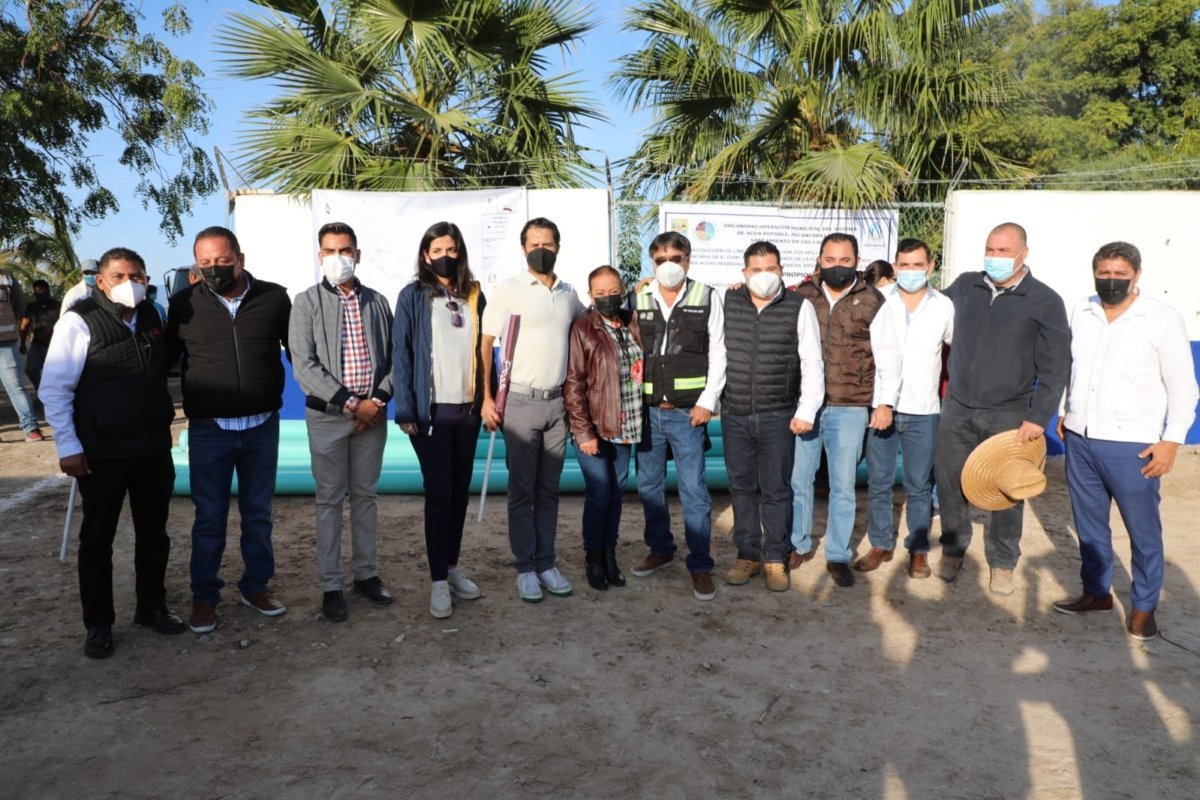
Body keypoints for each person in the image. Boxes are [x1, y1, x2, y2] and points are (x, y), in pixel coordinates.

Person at [40, 247, 184, 658]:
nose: (129, 283)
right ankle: (99, 624)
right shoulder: (79, 320)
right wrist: (68, 446)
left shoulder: (153, 316)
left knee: (154, 534)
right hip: (102, 450)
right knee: (97, 540)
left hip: (152, 446)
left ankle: (151, 607)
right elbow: (55, 388)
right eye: (119, 276)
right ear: (101, 282)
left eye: (136, 276)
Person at [1054, 241, 1198, 639]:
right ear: (1094, 273)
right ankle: (1097, 592)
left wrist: (1172, 440)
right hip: (1081, 437)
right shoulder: (1083, 310)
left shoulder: (1162, 318)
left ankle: (1144, 607)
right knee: (1089, 525)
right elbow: (1074, 367)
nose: (1111, 280)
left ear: (1137, 275)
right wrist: (1067, 410)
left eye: (1120, 274)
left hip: (1133, 444)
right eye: (1104, 273)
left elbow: (1183, 386)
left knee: (1142, 530)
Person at [167, 226, 292, 633]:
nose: (215, 269)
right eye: (205, 263)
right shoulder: (183, 305)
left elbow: (299, 350)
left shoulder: (274, 298)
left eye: (222, 260)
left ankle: (256, 587)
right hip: (210, 431)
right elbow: (161, 361)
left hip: (261, 427)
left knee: (258, 514)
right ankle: (205, 597)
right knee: (209, 518)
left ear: (240, 258)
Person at [934, 222, 1070, 595]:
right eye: (990, 250)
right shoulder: (966, 286)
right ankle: (954, 548)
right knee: (949, 481)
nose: (994, 257)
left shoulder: (1045, 301)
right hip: (958, 407)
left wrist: (1039, 417)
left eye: (1004, 251)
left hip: (1010, 413)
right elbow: (930, 312)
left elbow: (1056, 366)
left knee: (1008, 489)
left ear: (1024, 253)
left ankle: (1003, 562)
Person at [290, 222, 396, 624]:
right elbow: (304, 365)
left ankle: (366, 574)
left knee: (365, 496)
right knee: (329, 500)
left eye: (346, 250)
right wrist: (353, 404)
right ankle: (331, 584)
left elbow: (395, 360)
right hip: (329, 418)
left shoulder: (378, 302)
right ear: (320, 256)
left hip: (373, 417)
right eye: (331, 251)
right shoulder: (306, 302)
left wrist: (377, 401)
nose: (339, 258)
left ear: (358, 254)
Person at [480, 217, 585, 602]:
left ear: (558, 247)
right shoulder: (508, 289)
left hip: (557, 404)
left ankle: (547, 563)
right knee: (522, 490)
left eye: (548, 243)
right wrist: (487, 398)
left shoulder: (568, 294)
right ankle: (525, 568)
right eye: (534, 243)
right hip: (520, 403)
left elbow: (593, 324)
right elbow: (485, 345)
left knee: (549, 490)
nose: (541, 249)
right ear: (524, 248)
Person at [790, 232, 900, 588]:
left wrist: (884, 402)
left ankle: (837, 554)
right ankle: (798, 544)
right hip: (807, 406)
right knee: (800, 480)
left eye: (845, 260)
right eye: (830, 259)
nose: (837, 266)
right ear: (819, 260)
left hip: (851, 406)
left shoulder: (872, 300)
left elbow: (888, 356)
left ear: (857, 261)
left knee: (842, 486)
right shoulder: (802, 296)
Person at [394, 221, 487, 618]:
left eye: (451, 249)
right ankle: (436, 582)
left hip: (468, 411)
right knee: (439, 493)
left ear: (459, 252)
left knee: (460, 493)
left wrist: (485, 401)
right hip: (430, 413)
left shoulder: (474, 295)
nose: (445, 256)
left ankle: (451, 567)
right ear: (425, 255)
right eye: (437, 251)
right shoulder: (413, 296)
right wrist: (405, 409)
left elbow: (484, 351)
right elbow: (401, 353)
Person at [722, 242, 824, 592]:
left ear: (781, 270)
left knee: (777, 489)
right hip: (735, 413)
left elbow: (812, 361)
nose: (763, 276)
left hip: (778, 415)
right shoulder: (728, 301)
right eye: (756, 270)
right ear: (744, 272)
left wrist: (807, 409)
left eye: (770, 269)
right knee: (741, 488)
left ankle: (775, 557)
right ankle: (747, 554)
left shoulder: (799, 306)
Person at [631, 231, 726, 601]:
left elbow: (718, 352)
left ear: (688, 260)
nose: (668, 265)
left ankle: (700, 564)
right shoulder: (638, 297)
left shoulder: (707, 296)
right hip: (648, 412)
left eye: (676, 258)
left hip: (689, 413)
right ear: (652, 262)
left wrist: (707, 401)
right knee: (648, 487)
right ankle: (661, 549)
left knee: (694, 491)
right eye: (661, 260)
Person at [859, 239, 954, 579]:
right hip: (882, 408)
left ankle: (918, 549)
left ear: (930, 267)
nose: (911, 271)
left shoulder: (944, 306)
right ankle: (880, 544)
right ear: (895, 267)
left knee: (919, 485)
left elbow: (958, 351)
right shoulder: (878, 301)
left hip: (924, 409)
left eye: (918, 265)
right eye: (905, 265)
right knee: (879, 481)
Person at [564, 265, 643, 591]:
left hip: (627, 424)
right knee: (599, 492)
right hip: (595, 428)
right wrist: (584, 432)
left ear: (623, 290)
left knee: (616, 492)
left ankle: (610, 553)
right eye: (600, 293)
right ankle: (593, 556)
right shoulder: (583, 329)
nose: (608, 297)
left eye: (613, 291)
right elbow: (574, 384)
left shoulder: (633, 322)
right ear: (590, 295)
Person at [1, 270, 45, 441]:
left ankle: (31, 427)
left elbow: (19, 307)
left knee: (16, 387)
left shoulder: (7, 278)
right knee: (17, 387)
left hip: (5, 342)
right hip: (6, 340)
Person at [18, 279, 61, 392]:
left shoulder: (58, 305)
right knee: (31, 371)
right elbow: (24, 325)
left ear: (48, 291)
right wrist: (22, 343)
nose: (39, 293)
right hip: (36, 345)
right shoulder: (31, 307)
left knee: (54, 373)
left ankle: (53, 394)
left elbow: (66, 323)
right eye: (36, 291)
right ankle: (42, 392)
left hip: (55, 347)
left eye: (41, 290)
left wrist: (50, 329)